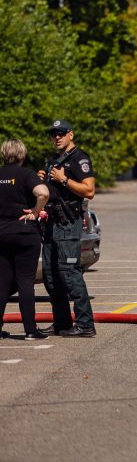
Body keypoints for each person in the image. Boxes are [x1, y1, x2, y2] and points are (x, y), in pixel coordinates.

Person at [39, 119, 96, 338]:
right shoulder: (53, 161)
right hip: (52, 225)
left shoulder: (80, 159)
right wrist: (41, 180)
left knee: (70, 274)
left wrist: (63, 180)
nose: (57, 137)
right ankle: (62, 322)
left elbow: (89, 191)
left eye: (61, 133)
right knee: (51, 277)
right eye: (53, 134)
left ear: (70, 134)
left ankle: (85, 324)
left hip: (68, 224)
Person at [0, 139, 49, 341]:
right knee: (25, 282)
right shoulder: (25, 174)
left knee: (1, 283)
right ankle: (30, 330)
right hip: (25, 233)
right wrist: (36, 212)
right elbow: (43, 193)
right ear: (22, 154)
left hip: (1, 233)